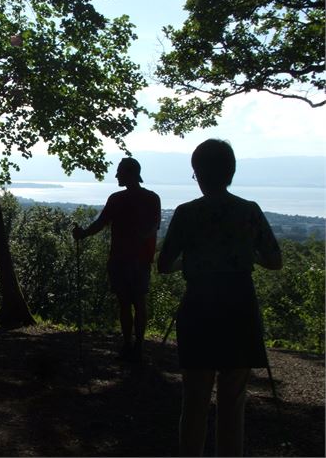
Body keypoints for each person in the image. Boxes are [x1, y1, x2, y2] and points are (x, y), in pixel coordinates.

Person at [157, 139, 282, 456]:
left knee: (195, 399)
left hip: (198, 308)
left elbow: (164, 265)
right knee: (233, 401)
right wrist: (243, 255)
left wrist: (194, 261)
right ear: (231, 172)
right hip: (239, 307)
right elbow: (274, 260)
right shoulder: (248, 212)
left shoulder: (186, 214)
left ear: (197, 174)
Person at [73, 157, 161, 363]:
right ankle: (134, 346)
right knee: (135, 302)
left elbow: (101, 223)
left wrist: (83, 234)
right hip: (135, 259)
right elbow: (151, 226)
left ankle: (131, 345)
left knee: (129, 303)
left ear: (129, 174)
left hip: (126, 259)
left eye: (119, 172)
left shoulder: (119, 199)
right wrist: (84, 233)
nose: (116, 176)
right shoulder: (150, 198)